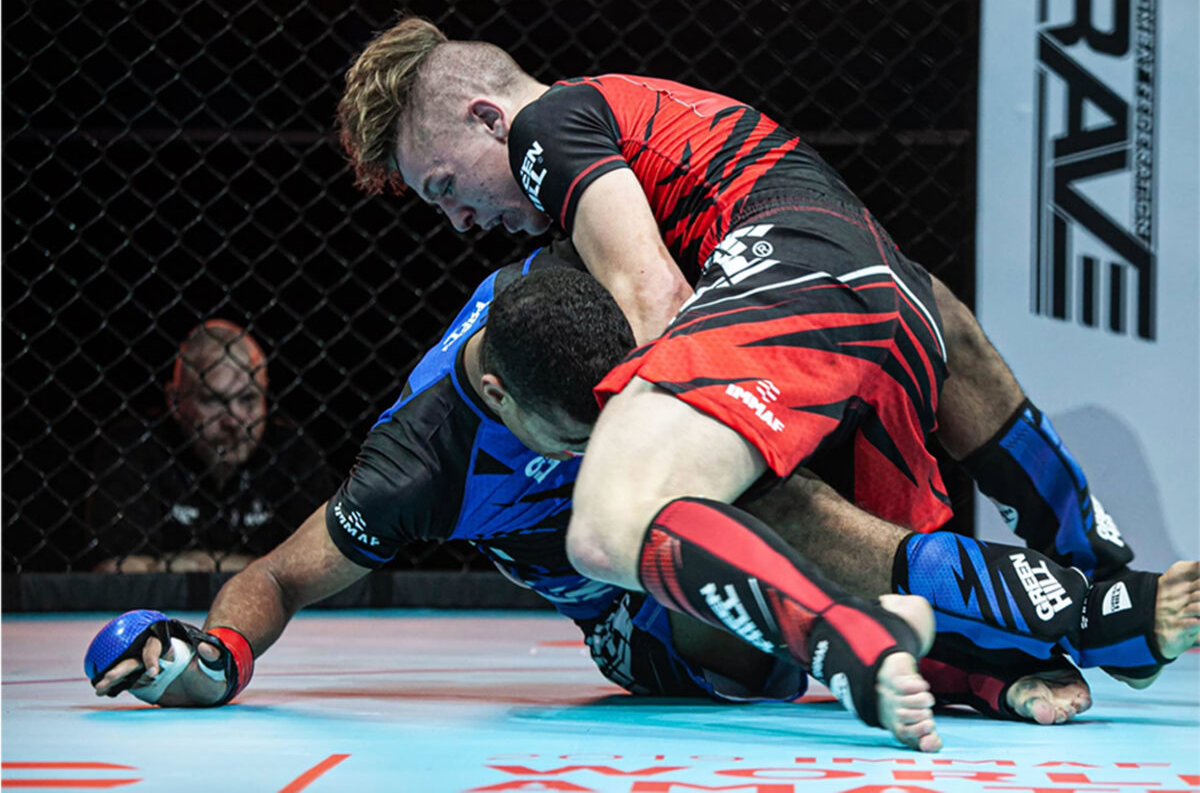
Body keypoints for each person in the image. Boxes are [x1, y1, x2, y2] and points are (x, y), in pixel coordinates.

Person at [334, 17, 1198, 745]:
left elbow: (653, 296)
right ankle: (1092, 594)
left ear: (489, 118)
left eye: (443, 184)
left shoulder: (545, 128)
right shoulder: (633, 110)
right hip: (890, 294)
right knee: (859, 546)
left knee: (616, 518)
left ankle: (1020, 622)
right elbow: (927, 313)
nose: (456, 219)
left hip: (791, 269)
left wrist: (651, 447)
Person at [88, 259, 1197, 749]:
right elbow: (280, 575)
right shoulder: (417, 466)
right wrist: (217, 657)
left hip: (730, 501)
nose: (604, 450)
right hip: (644, 620)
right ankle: (992, 653)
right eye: (576, 439)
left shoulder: (585, 283)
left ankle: (1007, 621)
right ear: (496, 397)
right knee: (701, 532)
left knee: (879, 358)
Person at [85, 320, 338, 572]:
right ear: (175, 401)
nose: (234, 421)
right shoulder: (136, 447)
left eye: (248, 399)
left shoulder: (292, 451)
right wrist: (270, 569)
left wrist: (188, 566)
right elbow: (118, 570)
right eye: (214, 400)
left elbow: (321, 567)